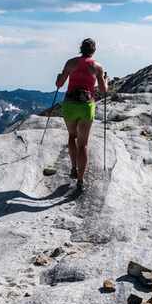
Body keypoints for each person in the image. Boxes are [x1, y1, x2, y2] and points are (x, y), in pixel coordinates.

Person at [56, 38, 107, 192]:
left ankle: (73, 167)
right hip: (86, 106)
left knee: (72, 136)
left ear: (80, 49)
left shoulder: (70, 63)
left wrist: (59, 77)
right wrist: (106, 80)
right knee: (83, 144)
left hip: (70, 104)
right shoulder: (97, 67)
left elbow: (59, 84)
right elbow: (104, 91)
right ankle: (80, 180)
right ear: (93, 50)